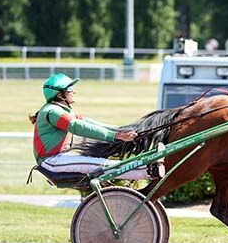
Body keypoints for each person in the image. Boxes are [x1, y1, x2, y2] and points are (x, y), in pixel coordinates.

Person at [29, 73, 164, 180]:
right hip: (51, 162)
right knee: (101, 165)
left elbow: (88, 123)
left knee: (101, 163)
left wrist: (119, 130)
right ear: (60, 95)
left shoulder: (62, 110)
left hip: (60, 158)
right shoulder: (53, 112)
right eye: (70, 89)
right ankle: (148, 171)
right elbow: (78, 127)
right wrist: (116, 136)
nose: (73, 91)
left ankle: (147, 167)